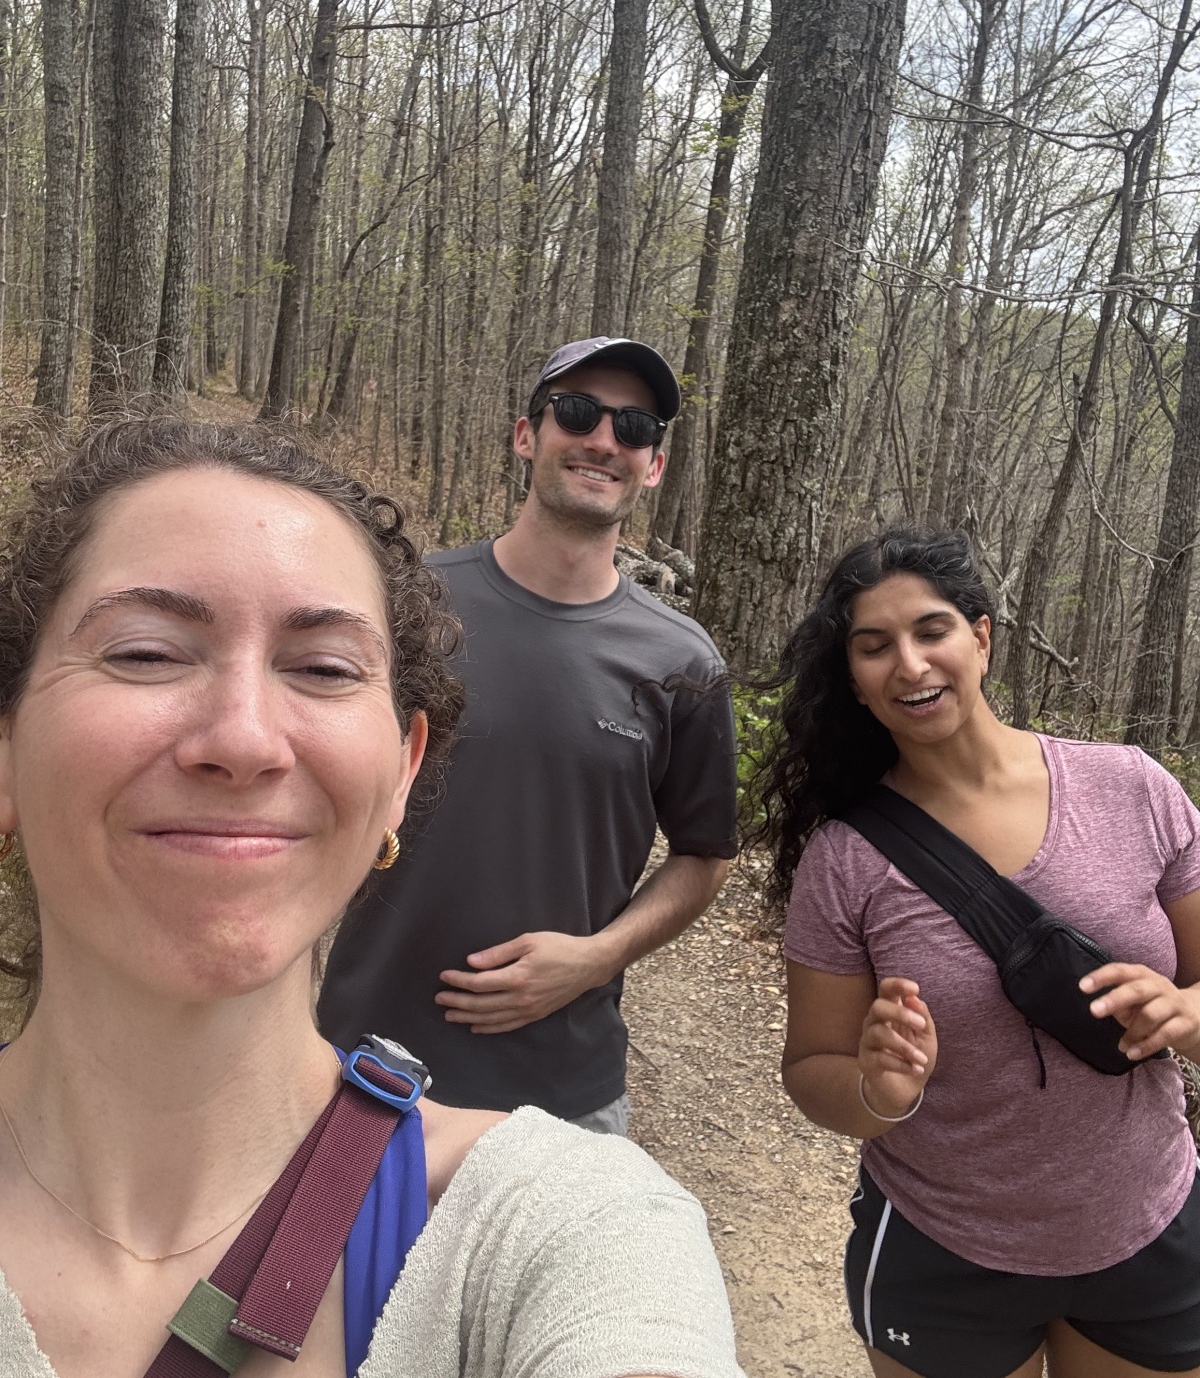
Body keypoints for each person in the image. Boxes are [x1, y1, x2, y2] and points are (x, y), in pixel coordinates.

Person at [0, 413, 742, 1378]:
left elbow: (705, 850)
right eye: (144, 652)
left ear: (404, 770)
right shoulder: (455, 584)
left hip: (555, 1081)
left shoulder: (564, 1234)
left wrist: (598, 956)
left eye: (324, 669)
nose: (245, 738)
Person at [754, 525, 1200, 1378]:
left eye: (932, 631)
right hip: (944, 1248)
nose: (911, 665)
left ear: (981, 637)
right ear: (853, 678)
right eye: (875, 647)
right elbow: (813, 1064)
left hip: (1144, 1225)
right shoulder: (847, 861)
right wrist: (878, 1091)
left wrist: (1183, 1013)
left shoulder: (1133, 789)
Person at [319, 336, 738, 1133]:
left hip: (563, 1095)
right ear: (526, 434)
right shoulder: (409, 606)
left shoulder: (682, 663)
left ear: (653, 466)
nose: (604, 440)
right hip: (363, 1063)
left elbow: (705, 855)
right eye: (577, 413)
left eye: (636, 428)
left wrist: (597, 957)